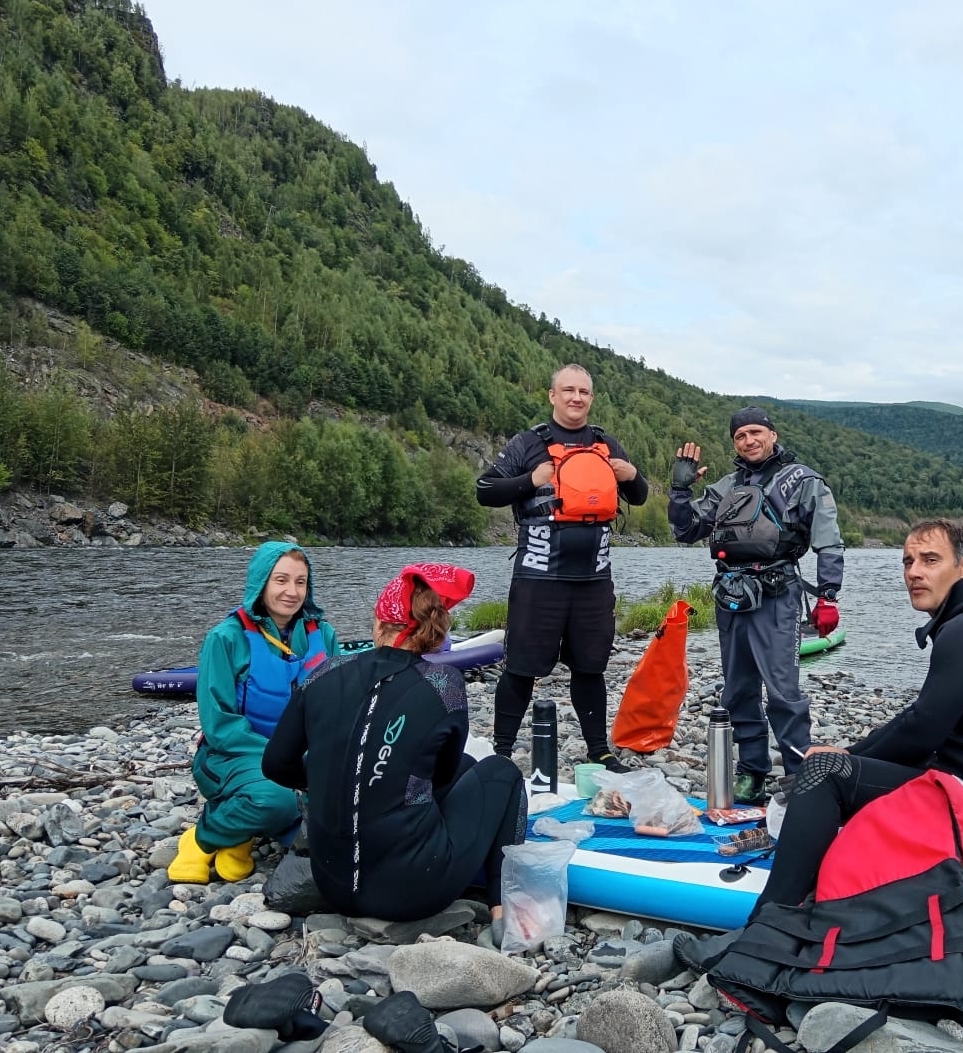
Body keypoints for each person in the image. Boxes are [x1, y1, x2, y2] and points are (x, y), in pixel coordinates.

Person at [676, 519, 963, 971]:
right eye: (908, 561)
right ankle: (811, 891)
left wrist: (844, 762)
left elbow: (921, 729)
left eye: (930, 561)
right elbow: (927, 734)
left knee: (823, 775)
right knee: (835, 779)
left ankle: (764, 937)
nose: (914, 572)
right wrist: (851, 763)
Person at [262, 563, 527, 924]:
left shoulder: (324, 672)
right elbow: (441, 775)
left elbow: (275, 764)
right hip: (414, 892)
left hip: (333, 886)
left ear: (379, 623)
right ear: (434, 632)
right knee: (502, 770)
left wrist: (333, 777)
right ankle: (502, 904)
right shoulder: (443, 684)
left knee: (465, 766)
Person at [475, 363, 649, 772]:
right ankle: (501, 752)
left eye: (583, 392)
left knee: (591, 666)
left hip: (593, 579)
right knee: (520, 667)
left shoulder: (606, 443)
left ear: (591, 398)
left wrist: (634, 474)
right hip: (540, 579)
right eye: (568, 390)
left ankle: (598, 751)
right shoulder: (528, 443)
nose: (576, 398)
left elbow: (638, 497)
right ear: (552, 395)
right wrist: (530, 480)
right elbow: (485, 490)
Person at [668, 406, 844, 804]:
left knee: (783, 693)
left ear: (772, 435)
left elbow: (829, 540)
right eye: (740, 436)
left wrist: (829, 596)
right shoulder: (727, 486)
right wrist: (680, 491)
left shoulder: (803, 481)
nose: (749, 441)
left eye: (755, 432)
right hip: (732, 596)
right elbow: (686, 530)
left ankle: (801, 774)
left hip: (778, 596)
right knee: (739, 690)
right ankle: (753, 771)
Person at [168, 541, 339, 885]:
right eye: (281, 580)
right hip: (230, 756)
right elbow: (219, 725)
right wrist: (285, 763)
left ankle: (243, 832)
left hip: (302, 760)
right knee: (277, 799)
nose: (292, 592)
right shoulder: (226, 638)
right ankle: (203, 838)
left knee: (333, 824)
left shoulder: (323, 634)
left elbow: (336, 709)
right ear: (261, 582)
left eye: (300, 582)